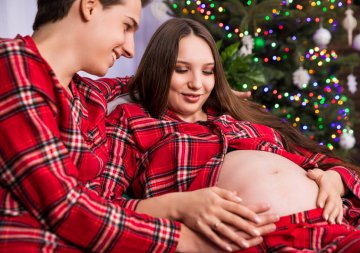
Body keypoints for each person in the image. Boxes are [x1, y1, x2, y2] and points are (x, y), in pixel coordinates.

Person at [0, 1, 276, 252]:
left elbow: (140, 81)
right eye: (126, 26)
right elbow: (66, 207)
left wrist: (213, 90)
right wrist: (186, 237)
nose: (131, 48)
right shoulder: (12, 66)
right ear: (90, 6)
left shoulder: (87, 94)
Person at [95, 18, 360, 252]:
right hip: (248, 240)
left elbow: (327, 163)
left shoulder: (238, 117)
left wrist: (335, 179)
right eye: (181, 70)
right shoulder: (133, 121)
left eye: (208, 72)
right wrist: (174, 207)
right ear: (159, 70)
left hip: (324, 225)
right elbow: (100, 208)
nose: (197, 84)